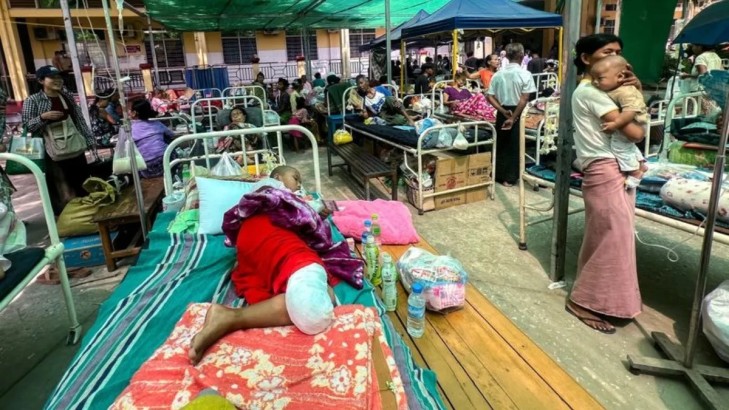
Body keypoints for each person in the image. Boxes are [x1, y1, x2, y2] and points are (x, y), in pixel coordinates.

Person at [188, 165, 339, 364]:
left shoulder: (270, 201)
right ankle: (232, 318)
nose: (299, 185)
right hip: (268, 229)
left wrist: (316, 216)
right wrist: (312, 210)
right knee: (315, 309)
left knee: (319, 294)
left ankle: (230, 318)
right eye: (295, 178)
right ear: (278, 177)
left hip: (249, 243)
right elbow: (293, 209)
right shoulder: (271, 188)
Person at [567, 33, 645, 334]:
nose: (615, 59)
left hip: (610, 167)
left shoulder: (607, 92)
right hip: (605, 167)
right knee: (613, 238)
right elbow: (636, 133)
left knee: (606, 236)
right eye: (606, 53)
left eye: (618, 53)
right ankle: (584, 301)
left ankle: (603, 299)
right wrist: (632, 104)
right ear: (587, 59)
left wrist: (632, 94)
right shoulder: (591, 93)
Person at [22, 65, 93, 214]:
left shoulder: (66, 96)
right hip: (51, 152)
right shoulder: (33, 100)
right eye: (52, 77)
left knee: (83, 183)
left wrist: (89, 140)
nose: (58, 80)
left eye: (59, 77)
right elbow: (28, 126)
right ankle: (65, 218)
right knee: (61, 188)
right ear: (41, 80)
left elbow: (79, 119)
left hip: (74, 146)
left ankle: (88, 214)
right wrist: (42, 117)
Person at [590, 55, 648, 189]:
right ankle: (641, 163)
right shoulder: (617, 89)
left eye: (600, 79)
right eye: (593, 79)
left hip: (635, 121)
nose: (595, 83)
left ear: (620, 77)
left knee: (619, 147)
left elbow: (630, 111)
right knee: (627, 145)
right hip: (635, 122)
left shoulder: (624, 91)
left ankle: (634, 172)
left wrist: (615, 124)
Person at [486, 43, 537, 186]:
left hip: (503, 111)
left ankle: (498, 174)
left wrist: (502, 111)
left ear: (507, 56)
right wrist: (514, 117)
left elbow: (489, 96)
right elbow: (524, 98)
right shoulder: (525, 74)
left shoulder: (498, 74)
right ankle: (510, 177)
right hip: (518, 112)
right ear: (521, 55)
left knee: (501, 143)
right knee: (514, 145)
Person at [130, 99, 174, 178]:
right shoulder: (156, 124)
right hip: (167, 162)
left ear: (134, 113)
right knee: (167, 140)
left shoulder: (130, 128)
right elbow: (171, 135)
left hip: (146, 169)